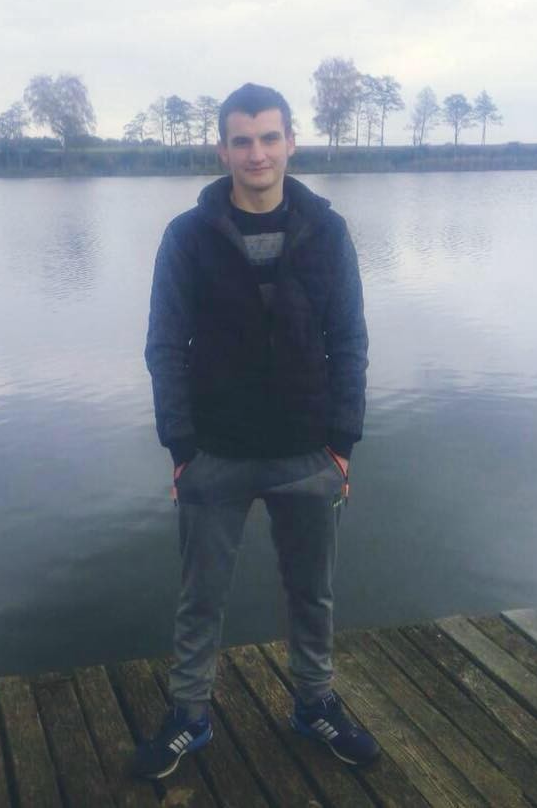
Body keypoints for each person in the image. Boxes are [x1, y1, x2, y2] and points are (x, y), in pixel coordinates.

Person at [136, 82, 379, 779]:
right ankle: (189, 715)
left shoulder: (327, 230)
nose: (257, 153)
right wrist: (181, 445)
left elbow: (349, 340)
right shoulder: (187, 237)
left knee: (312, 594)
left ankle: (314, 702)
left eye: (270, 137)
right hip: (215, 452)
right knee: (200, 599)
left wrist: (342, 443)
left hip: (309, 452)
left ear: (291, 143)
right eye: (242, 141)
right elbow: (165, 346)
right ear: (222, 150)